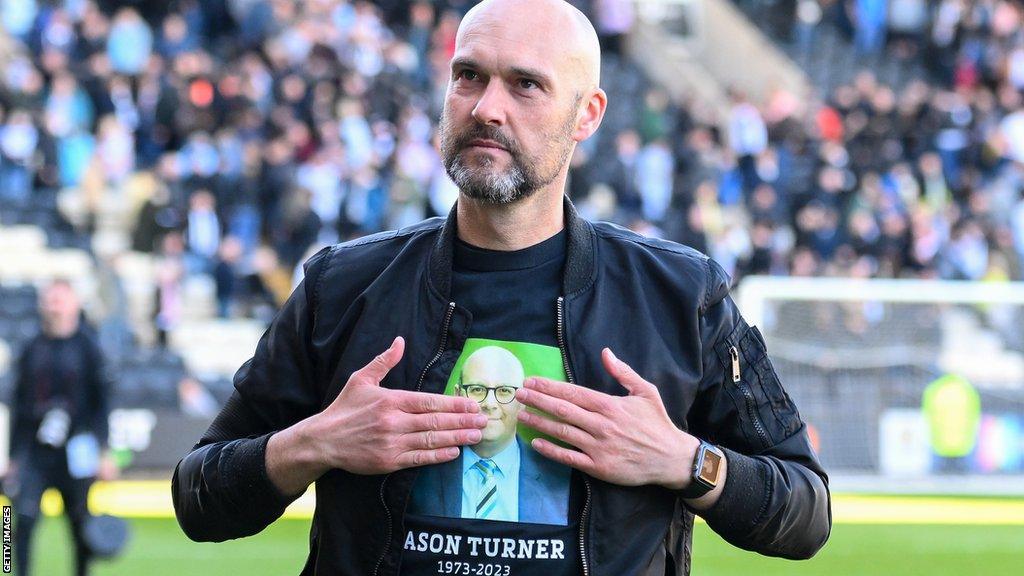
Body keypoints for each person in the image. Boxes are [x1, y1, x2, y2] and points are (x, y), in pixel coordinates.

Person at [172, 1, 831, 575]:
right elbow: (199, 498)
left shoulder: (681, 296)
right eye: (469, 77)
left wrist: (685, 459)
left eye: (525, 85)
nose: (487, 107)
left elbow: (805, 512)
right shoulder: (342, 286)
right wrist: (314, 442)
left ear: (587, 114)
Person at [7, 280, 114, 576]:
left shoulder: (89, 348)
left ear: (75, 304)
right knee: (19, 520)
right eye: (50, 299)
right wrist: (13, 457)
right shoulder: (31, 348)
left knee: (81, 526)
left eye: (60, 299)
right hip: (34, 450)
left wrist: (104, 452)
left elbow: (101, 404)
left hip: (77, 449)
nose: (54, 305)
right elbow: (17, 404)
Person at [408, 345, 571, 524]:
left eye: (504, 391)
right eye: (477, 389)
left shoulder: (559, 477)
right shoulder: (418, 472)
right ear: (457, 394)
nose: (490, 403)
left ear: (522, 400)